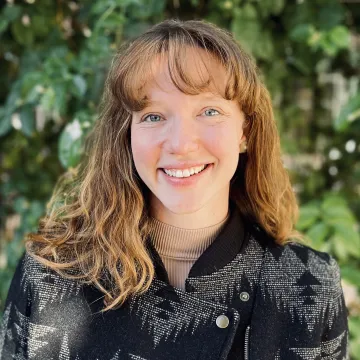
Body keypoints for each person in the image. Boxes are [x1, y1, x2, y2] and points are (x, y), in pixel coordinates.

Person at [0, 19, 349, 360]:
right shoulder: (51, 275)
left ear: (245, 130)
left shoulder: (309, 286)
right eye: (153, 116)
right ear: (127, 135)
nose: (181, 144)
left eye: (209, 111)